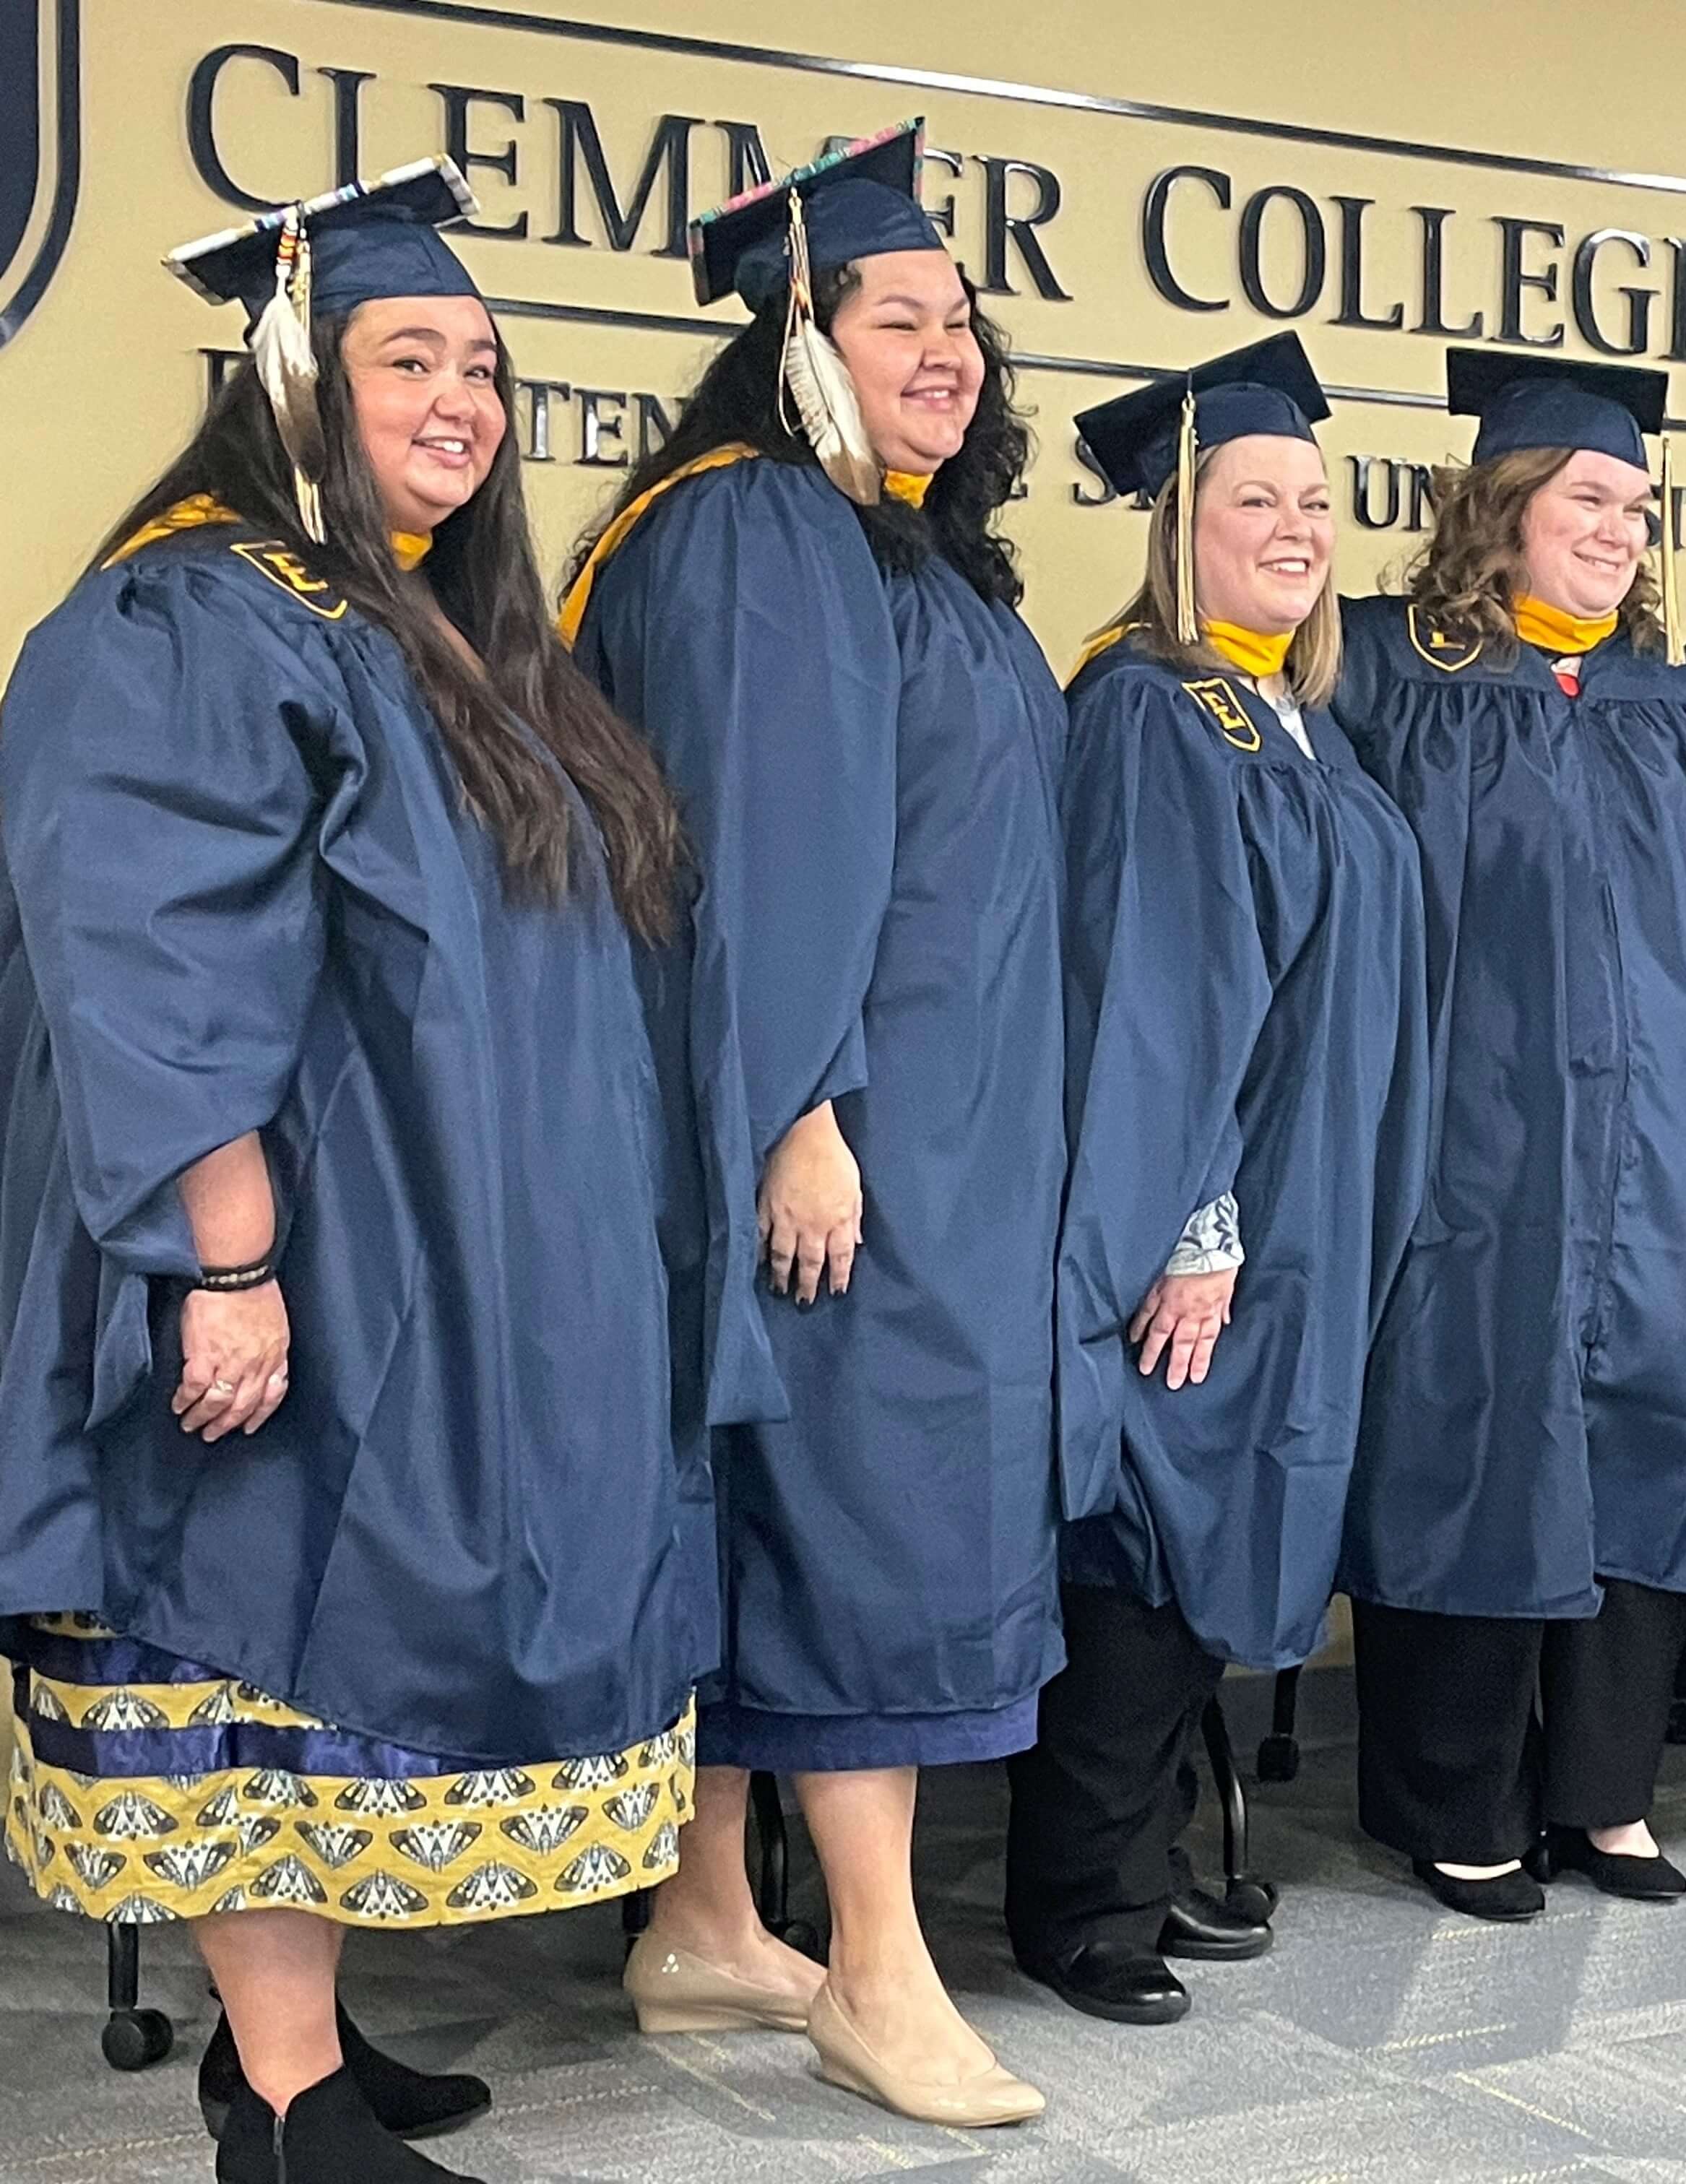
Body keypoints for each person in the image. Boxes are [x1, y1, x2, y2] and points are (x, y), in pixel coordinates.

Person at [0, 163, 697, 2183]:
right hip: (281, 1223)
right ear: (295, 376)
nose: (462, 402)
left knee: (329, 1623)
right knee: (243, 1616)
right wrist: (224, 1259)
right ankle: (289, 2112)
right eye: (410, 359)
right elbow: (148, 946)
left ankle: (290, 2043)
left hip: (416, 1226)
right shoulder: (188, 608)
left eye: (482, 365)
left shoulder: (414, 623)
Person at [561, 123, 1053, 2128]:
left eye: (964, 319)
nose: (947, 349)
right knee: (868, 1510)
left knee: (789, 1500)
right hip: (860, 1128)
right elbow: (756, 854)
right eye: (897, 314)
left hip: (934, 1117)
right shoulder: (762, 529)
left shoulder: (882, 545)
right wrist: (799, 1113)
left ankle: (702, 1919)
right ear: (798, 337)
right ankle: (875, 1961)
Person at [1334, 349, 1686, 1921]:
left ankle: (1602, 1793)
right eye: (1588, 499)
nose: (1621, 529)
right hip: (1482, 1138)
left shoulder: (1671, 699)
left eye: (1638, 504)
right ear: (1503, 508)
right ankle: (1456, 1796)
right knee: (1473, 1438)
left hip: (1659, 1137)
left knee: (1645, 1425)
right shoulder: (1386, 669)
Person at [1003, 333, 1428, 2024]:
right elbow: (1155, 988)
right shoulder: (1149, 709)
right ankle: (1082, 1907)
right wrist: (1192, 1222)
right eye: (1256, 497)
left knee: (1217, 1526)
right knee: (1153, 1538)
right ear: (1176, 524)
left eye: (1315, 501)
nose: (1297, 526)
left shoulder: (1287, 715)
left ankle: (1151, 1862)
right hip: (1213, 1216)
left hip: (1300, 1202)